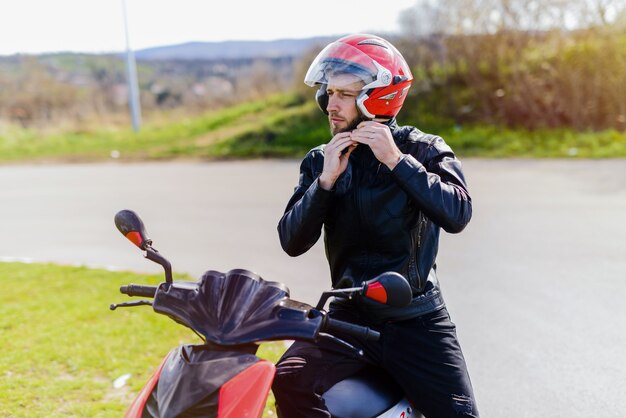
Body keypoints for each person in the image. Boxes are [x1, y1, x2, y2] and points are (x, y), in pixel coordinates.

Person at [272, 34, 479, 418]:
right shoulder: (322, 160)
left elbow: (458, 214)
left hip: (416, 320)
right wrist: (325, 184)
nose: (330, 105)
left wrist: (398, 162)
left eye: (344, 95)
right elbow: (292, 241)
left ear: (378, 97)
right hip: (348, 316)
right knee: (287, 378)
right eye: (329, 93)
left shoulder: (423, 149)